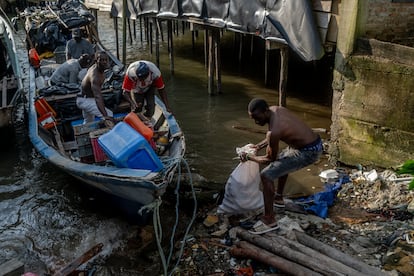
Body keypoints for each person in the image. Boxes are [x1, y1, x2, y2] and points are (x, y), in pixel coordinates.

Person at [240, 98, 323, 233]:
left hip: (309, 152)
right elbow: (272, 137)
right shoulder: (276, 109)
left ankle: (269, 219)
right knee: (283, 159)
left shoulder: (273, 131)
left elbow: (269, 159)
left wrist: (249, 157)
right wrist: (258, 146)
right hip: (312, 143)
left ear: (265, 111)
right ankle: (278, 198)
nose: (256, 122)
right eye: (252, 119)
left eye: (257, 118)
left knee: (266, 175)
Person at [76, 51, 113, 124]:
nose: (104, 62)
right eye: (102, 60)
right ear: (96, 61)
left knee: (88, 121)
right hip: (85, 100)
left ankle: (84, 133)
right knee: (109, 115)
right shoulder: (95, 76)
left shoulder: (95, 67)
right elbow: (98, 97)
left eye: (106, 60)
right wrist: (105, 116)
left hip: (84, 98)